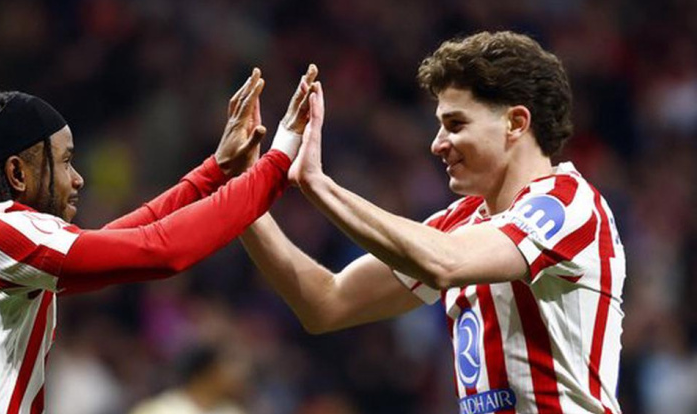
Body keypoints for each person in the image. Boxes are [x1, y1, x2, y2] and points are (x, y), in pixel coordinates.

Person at [0, 66, 318, 414]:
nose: (77, 179)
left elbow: (121, 240)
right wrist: (279, 159)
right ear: (17, 173)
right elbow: (159, 251)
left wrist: (215, 171)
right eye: (64, 162)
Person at [242, 32, 626, 414]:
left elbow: (445, 263)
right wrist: (240, 193)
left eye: (455, 124)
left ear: (515, 122)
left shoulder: (567, 204)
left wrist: (320, 185)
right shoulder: (457, 225)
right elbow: (326, 302)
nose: (437, 144)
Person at [128, 343, 248, 414]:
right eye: (228, 367)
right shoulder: (159, 409)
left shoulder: (232, 412)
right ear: (206, 373)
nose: (237, 375)